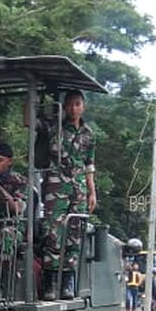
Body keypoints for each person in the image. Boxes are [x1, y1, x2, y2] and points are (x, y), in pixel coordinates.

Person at [33, 89, 96, 300]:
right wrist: (32, 95)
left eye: (77, 104)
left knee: (75, 234)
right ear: (64, 106)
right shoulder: (54, 126)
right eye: (69, 104)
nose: (73, 108)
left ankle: (68, 281)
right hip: (56, 185)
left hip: (79, 189)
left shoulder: (89, 134)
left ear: (83, 106)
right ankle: (50, 282)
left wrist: (92, 192)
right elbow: (29, 122)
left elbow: (89, 164)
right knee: (53, 232)